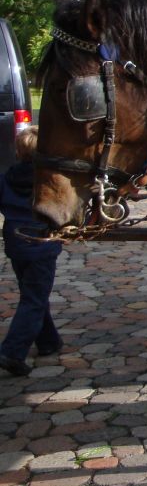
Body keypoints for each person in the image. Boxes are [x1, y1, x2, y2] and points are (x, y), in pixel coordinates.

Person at [1, 127, 63, 376]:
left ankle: (48, 340)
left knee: (33, 293)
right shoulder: (51, 182)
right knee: (34, 299)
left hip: (16, 243)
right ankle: (13, 351)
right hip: (41, 244)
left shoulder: (7, 177)